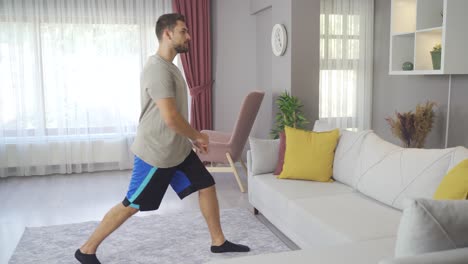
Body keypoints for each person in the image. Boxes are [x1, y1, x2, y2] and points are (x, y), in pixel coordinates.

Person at [75, 13, 250, 264]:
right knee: (131, 204)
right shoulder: (157, 70)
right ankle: (86, 249)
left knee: (206, 185)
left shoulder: (171, 67)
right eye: (183, 31)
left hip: (176, 148)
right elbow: (170, 117)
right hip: (156, 153)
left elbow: (174, 116)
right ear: (167, 34)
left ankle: (218, 242)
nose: (189, 36)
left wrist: (189, 140)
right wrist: (197, 135)